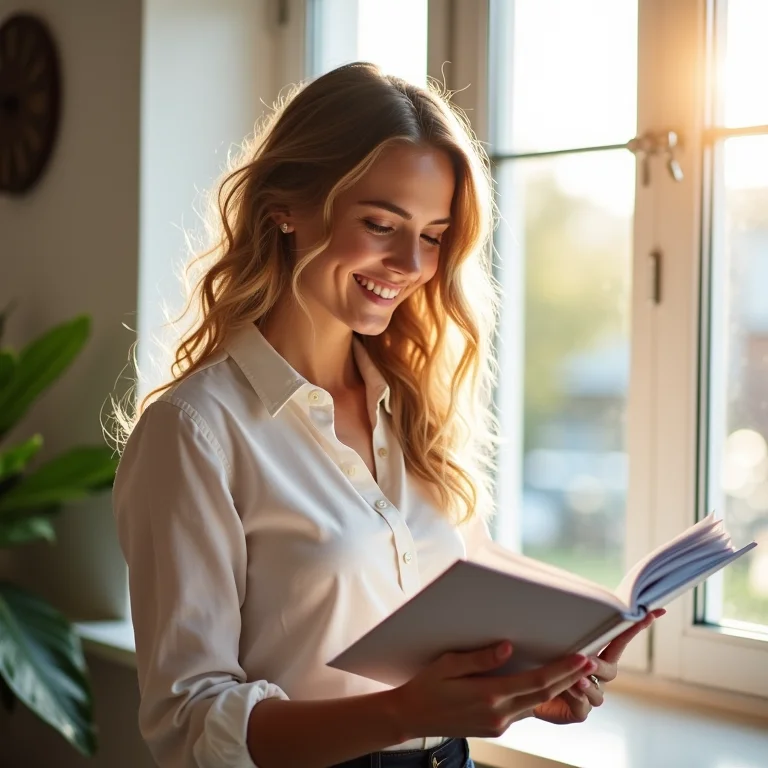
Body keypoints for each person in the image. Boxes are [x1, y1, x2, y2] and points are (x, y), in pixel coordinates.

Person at [112, 61, 663, 768]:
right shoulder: (196, 432)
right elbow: (189, 723)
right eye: (380, 223)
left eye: (433, 235)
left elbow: (448, 632)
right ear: (285, 206)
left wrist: (526, 681)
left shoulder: (415, 411)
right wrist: (406, 711)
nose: (410, 262)